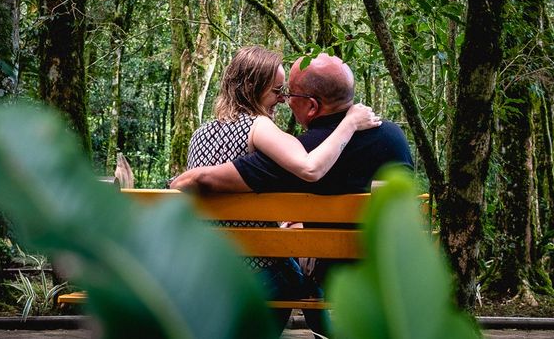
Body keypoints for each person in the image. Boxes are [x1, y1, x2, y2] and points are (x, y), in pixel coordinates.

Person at [171, 52, 413, 335]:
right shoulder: (394, 136)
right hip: (394, 280)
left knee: (300, 277)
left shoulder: (299, 149)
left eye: (288, 93)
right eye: (279, 92)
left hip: (319, 284)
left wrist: (190, 177)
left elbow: (219, 178)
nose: (284, 99)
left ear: (311, 106)